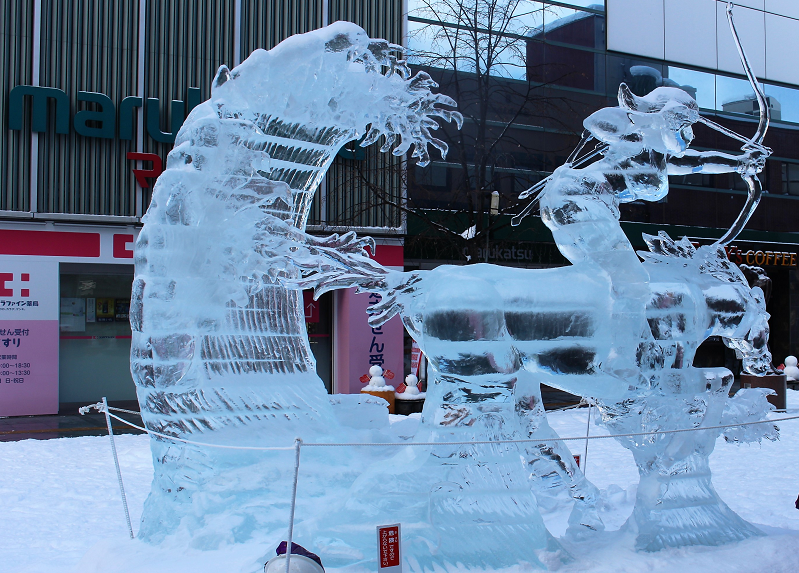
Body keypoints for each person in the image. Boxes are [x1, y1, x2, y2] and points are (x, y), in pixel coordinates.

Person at [538, 84, 766, 382]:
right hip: (581, 200)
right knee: (631, 283)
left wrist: (739, 163)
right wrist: (643, 118)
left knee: (602, 284)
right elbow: (595, 122)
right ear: (666, 120)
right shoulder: (633, 138)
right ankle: (627, 358)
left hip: (571, 202)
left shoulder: (659, 156)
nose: (690, 135)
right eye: (685, 127)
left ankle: (603, 345)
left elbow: (698, 162)